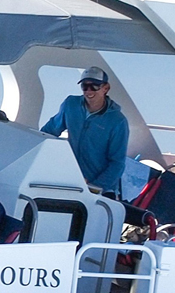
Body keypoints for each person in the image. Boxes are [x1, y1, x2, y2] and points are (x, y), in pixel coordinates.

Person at [40, 66, 130, 197]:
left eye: (94, 86)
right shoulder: (71, 104)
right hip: (70, 180)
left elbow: (117, 163)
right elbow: (48, 132)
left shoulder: (118, 121)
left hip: (100, 189)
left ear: (106, 88)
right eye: (84, 86)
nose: (89, 91)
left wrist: (95, 186)